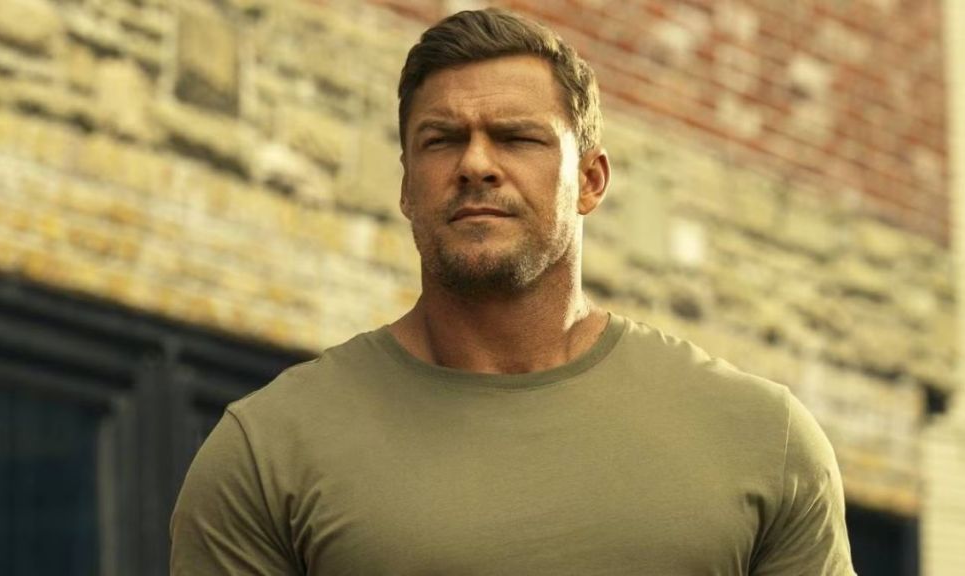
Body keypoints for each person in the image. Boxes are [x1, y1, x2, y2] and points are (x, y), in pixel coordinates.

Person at [170, 8, 855, 575]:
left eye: (516, 138)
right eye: (441, 141)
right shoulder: (268, 452)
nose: (475, 163)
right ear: (406, 186)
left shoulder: (762, 440)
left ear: (590, 181)